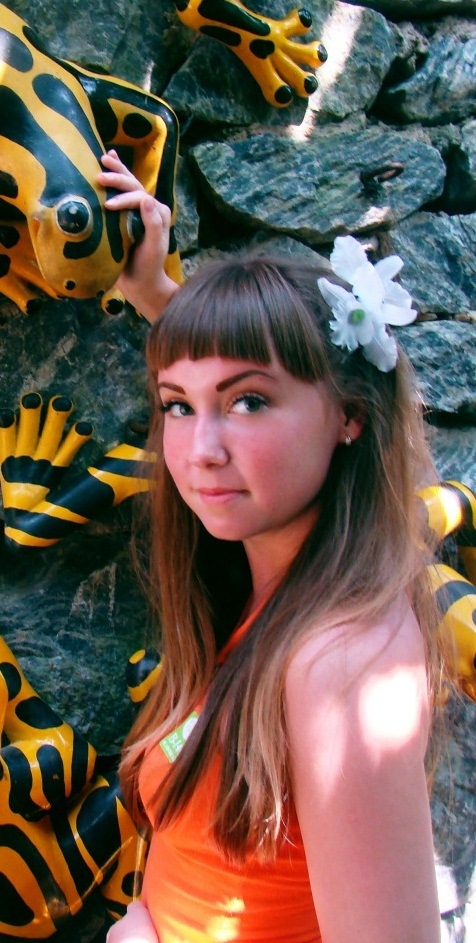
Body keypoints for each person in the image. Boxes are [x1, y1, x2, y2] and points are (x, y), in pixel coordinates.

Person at [100, 153, 445, 943]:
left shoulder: (344, 667)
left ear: (350, 416)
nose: (200, 451)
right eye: (177, 405)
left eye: (248, 402)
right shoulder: (284, 586)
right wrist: (158, 293)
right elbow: (245, 373)